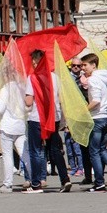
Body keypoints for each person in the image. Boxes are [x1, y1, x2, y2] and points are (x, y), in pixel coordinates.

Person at [23, 49, 72, 194]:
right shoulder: (54, 77)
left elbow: (29, 101)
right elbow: (61, 98)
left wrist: (23, 99)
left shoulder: (33, 78)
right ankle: (65, 179)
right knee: (55, 149)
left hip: (37, 118)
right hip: (53, 117)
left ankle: (36, 183)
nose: (33, 62)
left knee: (36, 150)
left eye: (34, 60)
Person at [81, 53, 107, 192]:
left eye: (85, 65)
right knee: (102, 149)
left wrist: (84, 110)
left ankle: (99, 182)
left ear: (93, 65)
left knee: (94, 151)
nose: (83, 68)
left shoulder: (93, 80)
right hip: (106, 116)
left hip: (97, 117)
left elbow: (96, 101)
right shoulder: (106, 78)